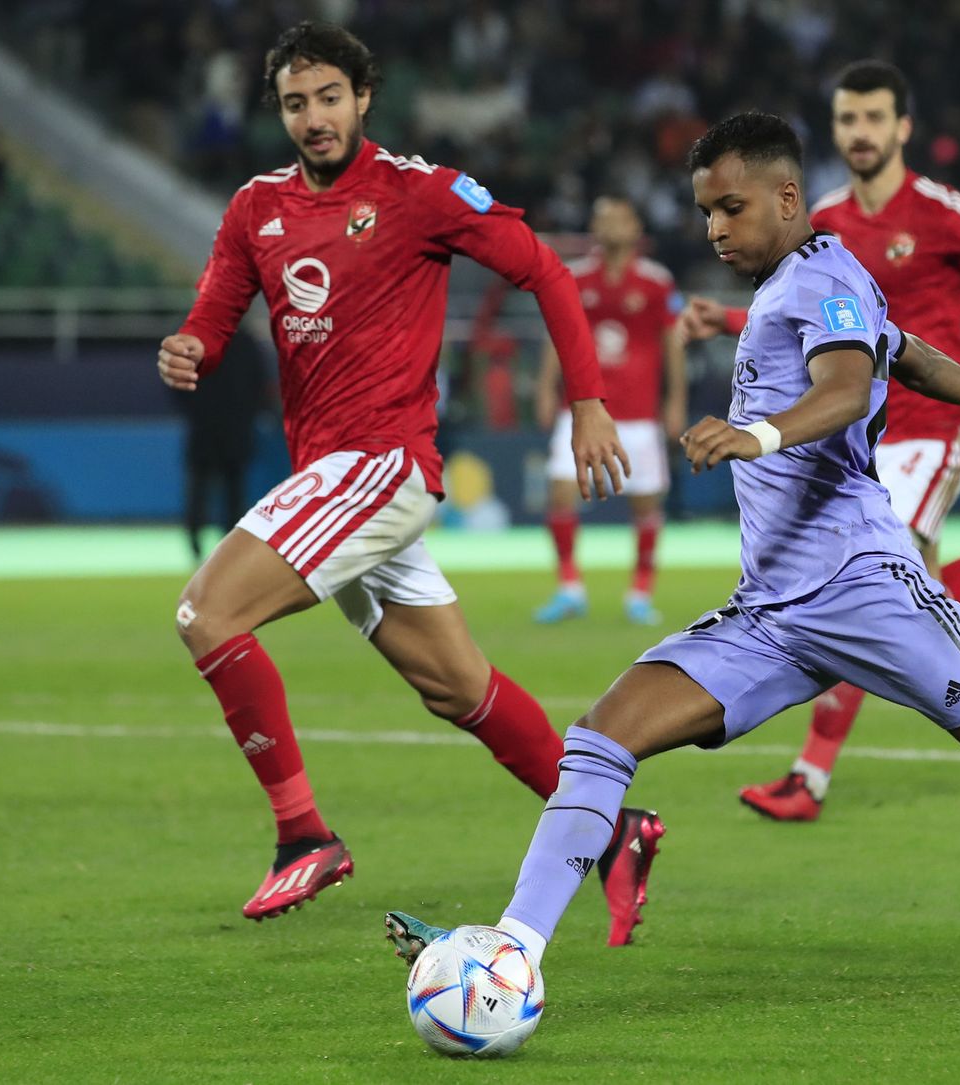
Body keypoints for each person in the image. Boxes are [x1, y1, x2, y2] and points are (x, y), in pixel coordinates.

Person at [383, 117, 960, 1023]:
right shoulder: (812, 278)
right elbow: (904, 354)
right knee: (601, 737)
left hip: (867, 587)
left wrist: (757, 433)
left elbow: (847, 386)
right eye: (706, 210)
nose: (713, 227)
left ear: (788, 199)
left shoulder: (813, 277)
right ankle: (512, 950)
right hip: (774, 611)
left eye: (731, 208)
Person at [157, 22, 664, 942]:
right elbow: (220, 305)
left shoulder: (418, 192)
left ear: (363, 98)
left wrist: (587, 402)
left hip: (382, 463)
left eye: (329, 98)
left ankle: (302, 833)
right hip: (332, 473)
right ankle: (618, 829)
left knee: (207, 612)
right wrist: (194, 344)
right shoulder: (254, 209)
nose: (313, 118)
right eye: (294, 103)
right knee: (455, 686)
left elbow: (545, 269)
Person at [677, 61, 960, 822]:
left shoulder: (946, 214)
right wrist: (728, 319)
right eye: (847, 120)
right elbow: (815, 325)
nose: (860, 134)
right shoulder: (824, 220)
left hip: (933, 426)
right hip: (850, 443)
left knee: (877, 583)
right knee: (911, 592)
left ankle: (809, 774)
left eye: (875, 119)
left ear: (903, 128)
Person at [533, 195, 687, 626]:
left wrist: (675, 402)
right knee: (561, 491)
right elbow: (557, 336)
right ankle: (569, 587)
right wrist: (547, 388)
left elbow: (672, 345)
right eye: (603, 219)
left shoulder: (656, 282)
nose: (612, 226)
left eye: (620, 218)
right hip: (584, 409)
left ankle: (640, 593)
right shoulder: (575, 279)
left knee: (645, 503)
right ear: (594, 229)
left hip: (639, 414)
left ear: (637, 226)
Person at [171, 329, 267, 560]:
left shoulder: (194, 340)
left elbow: (177, 385)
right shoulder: (244, 341)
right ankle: (221, 548)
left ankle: (201, 543)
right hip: (229, 430)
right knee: (225, 493)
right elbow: (258, 383)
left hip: (210, 429)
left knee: (207, 491)